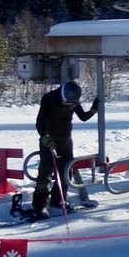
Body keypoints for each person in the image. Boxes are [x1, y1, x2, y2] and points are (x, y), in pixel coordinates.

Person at [34, 80, 98, 218]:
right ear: (62, 94)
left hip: (65, 140)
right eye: (66, 102)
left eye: (71, 103)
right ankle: (40, 205)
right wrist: (45, 137)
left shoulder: (73, 99)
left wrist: (94, 108)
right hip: (49, 140)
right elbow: (40, 122)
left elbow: (83, 117)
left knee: (66, 171)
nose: (68, 104)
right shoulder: (49, 98)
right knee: (46, 172)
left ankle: (58, 199)